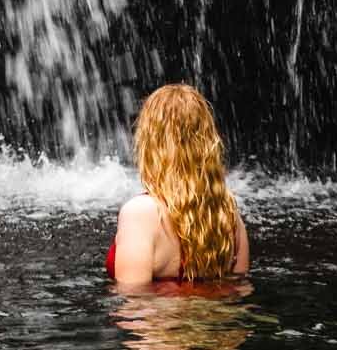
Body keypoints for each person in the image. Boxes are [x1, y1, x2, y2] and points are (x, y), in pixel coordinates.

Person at [105, 84, 250, 287]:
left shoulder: (141, 213)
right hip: (216, 318)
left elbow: (134, 308)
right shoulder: (228, 213)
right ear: (207, 141)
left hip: (162, 319)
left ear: (150, 141)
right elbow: (239, 292)